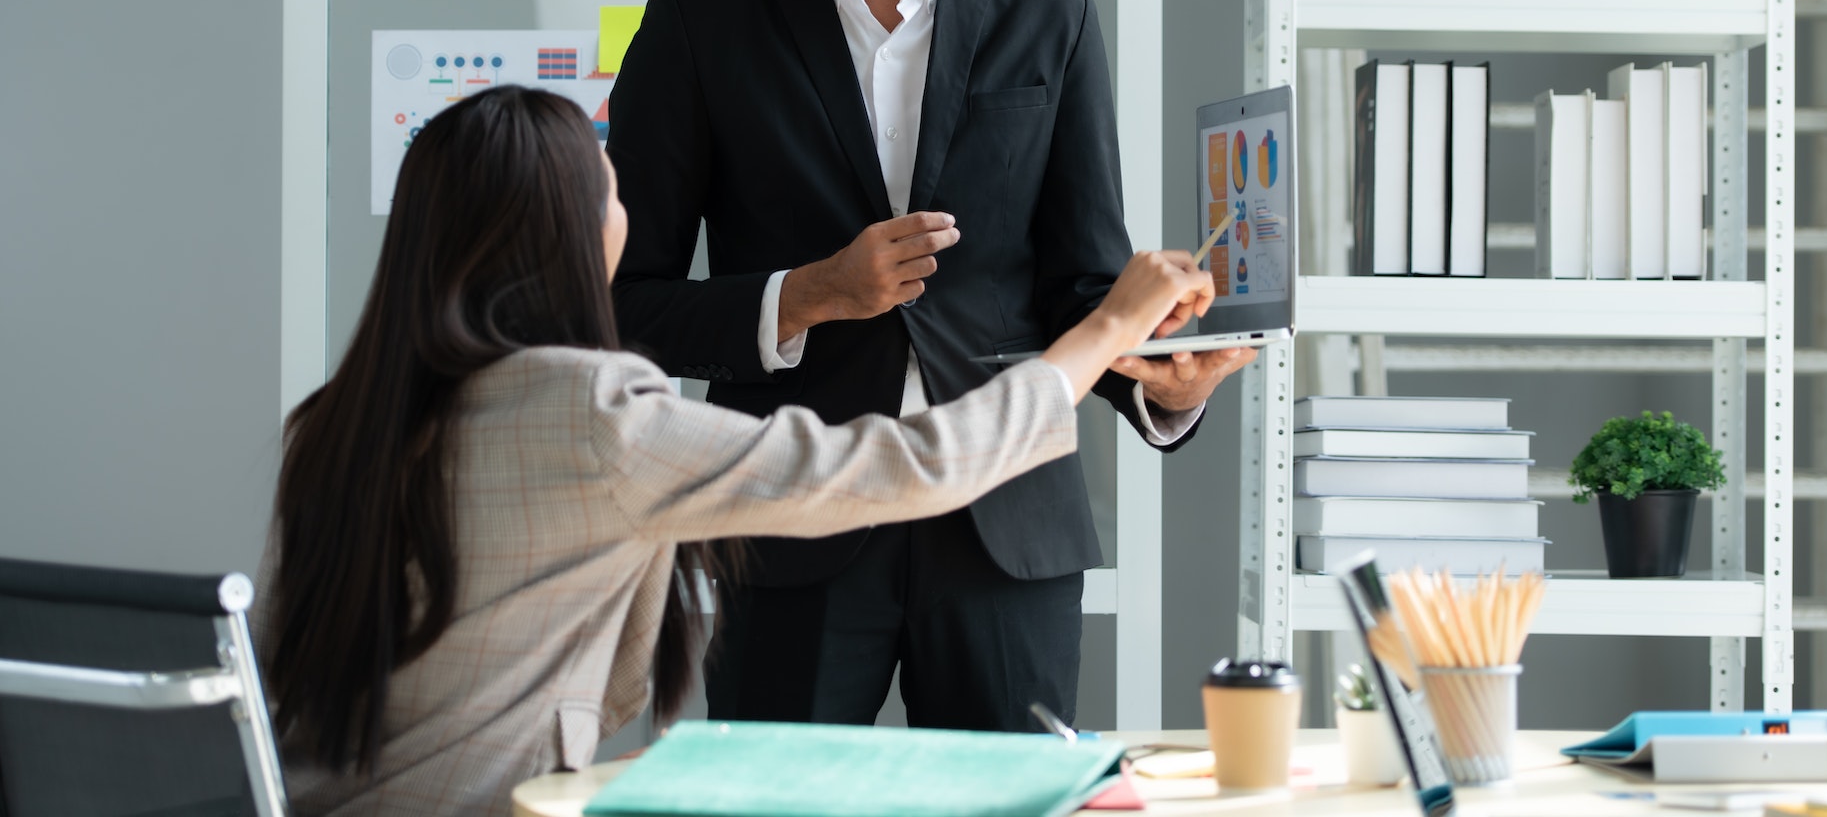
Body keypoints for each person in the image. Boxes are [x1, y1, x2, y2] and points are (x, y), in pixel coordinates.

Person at [254, 85, 1213, 817]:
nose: (626, 214)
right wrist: (1102, 334)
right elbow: (902, 465)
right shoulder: (589, 412)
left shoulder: (338, 422)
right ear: (565, 233)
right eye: (611, 191)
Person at [606, 0, 1250, 733]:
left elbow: (1082, 283)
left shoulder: (1052, 16)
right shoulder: (699, 19)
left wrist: (1166, 386)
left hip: (1006, 526)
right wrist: (805, 294)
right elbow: (625, 305)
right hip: (788, 523)